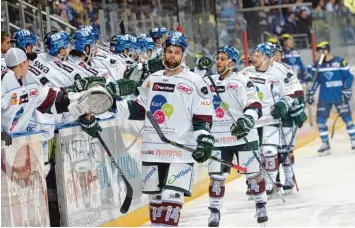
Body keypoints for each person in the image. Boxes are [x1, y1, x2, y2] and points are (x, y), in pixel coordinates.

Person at [115, 31, 215, 226]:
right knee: (156, 203)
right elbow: (138, 109)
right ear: (163, 53)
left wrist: (204, 139)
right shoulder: (152, 79)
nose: (172, 56)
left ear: (183, 55)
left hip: (180, 152)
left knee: (171, 199)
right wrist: (109, 105)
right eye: (169, 51)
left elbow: (202, 118)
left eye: (177, 52)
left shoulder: (194, 82)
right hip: (152, 151)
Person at [205, 46, 267, 226]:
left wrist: (247, 120)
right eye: (217, 58)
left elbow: (255, 105)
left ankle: (260, 205)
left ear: (232, 63)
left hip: (242, 136)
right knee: (216, 176)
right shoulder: (207, 82)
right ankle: (214, 211)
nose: (218, 61)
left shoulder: (243, 81)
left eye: (223, 59)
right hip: (217, 137)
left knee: (253, 174)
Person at [241, 43, 297, 197]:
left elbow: (292, 91)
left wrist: (285, 104)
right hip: (252, 121)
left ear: (267, 57)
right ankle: (259, 182)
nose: (254, 58)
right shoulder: (245, 73)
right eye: (254, 55)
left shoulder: (279, 73)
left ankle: (273, 182)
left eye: (258, 55)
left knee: (272, 151)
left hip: (271, 119)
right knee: (256, 155)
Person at [270, 43, 307, 192]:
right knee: (270, 150)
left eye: (277, 54)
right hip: (269, 116)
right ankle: (274, 178)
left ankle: (289, 177)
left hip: (286, 116)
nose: (276, 56)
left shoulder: (286, 69)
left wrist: (296, 107)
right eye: (273, 54)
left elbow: (296, 90)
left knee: (285, 150)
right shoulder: (261, 71)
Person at [307, 41, 355, 155]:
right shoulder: (317, 65)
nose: (318, 54)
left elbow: (349, 77)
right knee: (320, 122)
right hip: (325, 98)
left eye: (320, 52)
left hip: (339, 96)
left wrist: (347, 89)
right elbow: (314, 81)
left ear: (326, 51)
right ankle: (325, 144)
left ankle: (354, 140)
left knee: (348, 120)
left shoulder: (339, 62)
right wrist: (310, 93)